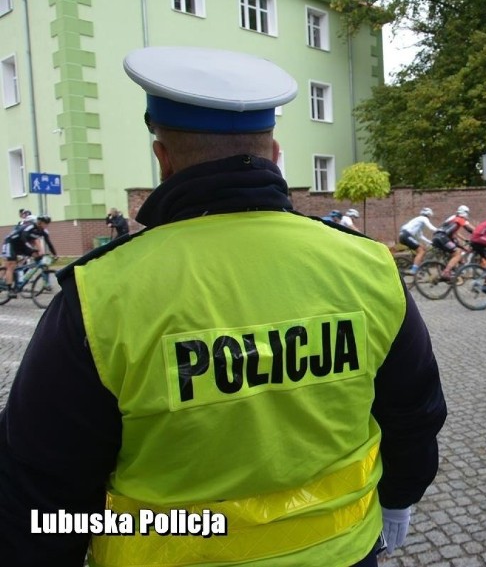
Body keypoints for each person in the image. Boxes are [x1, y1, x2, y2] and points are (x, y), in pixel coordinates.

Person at [0, 46, 446, 567]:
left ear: (162, 157)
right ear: (275, 154)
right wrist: (399, 497)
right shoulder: (368, 266)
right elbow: (414, 413)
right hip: (344, 552)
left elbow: (38, 483)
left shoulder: (102, 294)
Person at [2, 215, 57, 298]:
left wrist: (55, 254)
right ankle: (10, 290)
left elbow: (49, 243)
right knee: (11, 265)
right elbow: (24, 238)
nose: (46, 226)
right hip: (11, 243)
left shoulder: (43, 231)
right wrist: (31, 249)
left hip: (22, 245)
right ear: (40, 222)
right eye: (45, 223)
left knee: (39, 257)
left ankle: (23, 280)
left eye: (47, 224)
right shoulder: (30, 227)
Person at [433, 205, 475, 280]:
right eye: (467, 213)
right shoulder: (460, 219)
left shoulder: (452, 220)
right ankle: (446, 272)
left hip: (437, 237)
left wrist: (463, 246)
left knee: (457, 251)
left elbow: (454, 237)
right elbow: (471, 230)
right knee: (457, 253)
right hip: (442, 238)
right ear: (464, 213)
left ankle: (453, 271)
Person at [398, 207, 438, 274]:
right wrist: (440, 231)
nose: (430, 218)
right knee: (421, 251)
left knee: (422, 248)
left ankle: (417, 266)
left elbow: (420, 236)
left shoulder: (418, 221)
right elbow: (431, 227)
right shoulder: (423, 218)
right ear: (428, 215)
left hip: (403, 235)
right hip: (406, 235)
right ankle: (413, 270)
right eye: (430, 216)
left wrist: (430, 242)